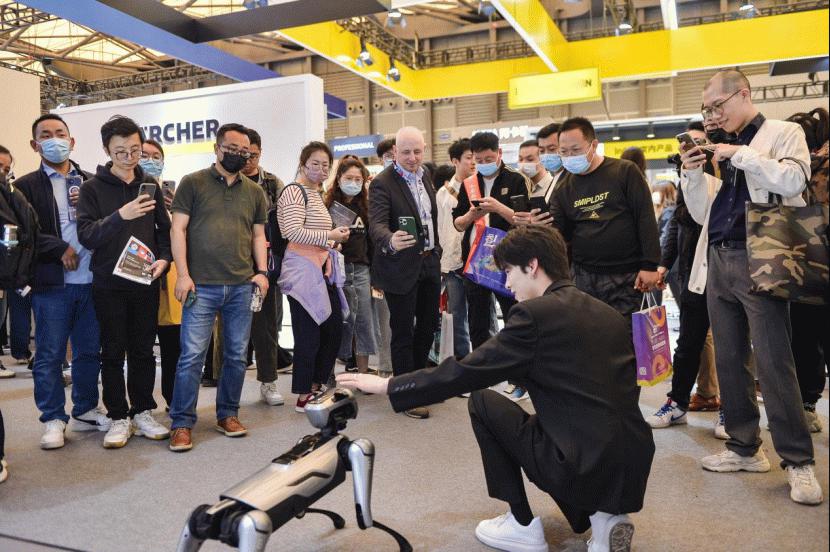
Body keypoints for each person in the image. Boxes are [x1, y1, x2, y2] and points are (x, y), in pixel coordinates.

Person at [337, 225, 655, 552]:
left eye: (508, 271)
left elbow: (467, 372)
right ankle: (604, 519)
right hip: (634, 461)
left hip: (580, 464)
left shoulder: (533, 315)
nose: (507, 283)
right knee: (572, 424)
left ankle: (521, 523)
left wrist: (390, 385)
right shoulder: (608, 313)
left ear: (532, 265)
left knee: (483, 402)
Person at [680, 69, 822, 505]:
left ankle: (798, 461)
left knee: (774, 360)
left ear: (743, 95)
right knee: (729, 356)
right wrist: (692, 174)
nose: (712, 115)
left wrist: (738, 154)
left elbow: (794, 181)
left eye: (717, 106)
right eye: (707, 109)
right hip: (719, 256)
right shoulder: (722, 147)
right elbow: (705, 211)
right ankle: (744, 447)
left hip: (763, 255)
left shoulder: (782, 132)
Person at [167, 123, 269, 452]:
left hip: (241, 286)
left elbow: (258, 236)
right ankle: (181, 422)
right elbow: (178, 230)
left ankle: (228, 414)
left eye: (245, 151)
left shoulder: (254, 192)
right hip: (200, 286)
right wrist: (183, 274)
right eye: (232, 149)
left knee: (236, 356)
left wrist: (262, 272)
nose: (239, 155)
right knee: (191, 357)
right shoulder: (192, 183)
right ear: (217, 148)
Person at [77, 116, 172, 448]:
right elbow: (87, 235)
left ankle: (143, 410)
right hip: (108, 284)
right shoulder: (91, 188)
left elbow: (164, 232)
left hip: (145, 280)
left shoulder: (150, 184)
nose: (130, 157)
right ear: (107, 150)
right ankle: (118, 416)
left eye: (135, 150)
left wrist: (165, 259)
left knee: (143, 350)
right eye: (121, 151)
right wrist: (121, 215)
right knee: (113, 351)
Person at [15, 114, 107, 450]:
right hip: (51, 284)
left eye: (60, 133)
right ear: (34, 144)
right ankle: (53, 418)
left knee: (89, 352)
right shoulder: (24, 187)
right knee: (50, 355)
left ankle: (85, 409)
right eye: (46, 135)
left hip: (92, 282)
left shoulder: (92, 181)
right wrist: (58, 248)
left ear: (72, 141)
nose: (54, 139)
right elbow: (22, 233)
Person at [648, 123, 727, 435]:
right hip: (693, 272)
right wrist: (664, 265)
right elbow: (676, 226)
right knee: (688, 342)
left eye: (699, 142)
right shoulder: (686, 179)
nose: (693, 148)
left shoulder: (727, 171)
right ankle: (677, 402)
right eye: (687, 144)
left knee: (731, 341)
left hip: (726, 267)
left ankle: (731, 410)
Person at [550, 117, 661, 322]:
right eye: (563, 152)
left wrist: (650, 265)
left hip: (627, 275)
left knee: (627, 335)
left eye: (575, 150)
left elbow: (645, 218)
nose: (570, 156)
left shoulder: (624, 171)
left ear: (593, 145)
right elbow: (560, 231)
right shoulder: (563, 186)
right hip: (584, 276)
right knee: (590, 334)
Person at [369, 127, 441, 419]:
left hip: (429, 263)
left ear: (424, 149)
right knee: (402, 332)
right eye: (406, 152)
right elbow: (376, 224)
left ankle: (419, 384)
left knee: (427, 326)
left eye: (417, 151)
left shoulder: (426, 175)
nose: (412, 157)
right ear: (395, 152)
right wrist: (390, 239)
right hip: (400, 266)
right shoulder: (382, 182)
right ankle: (404, 394)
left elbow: (430, 218)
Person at [452, 131, 530, 401]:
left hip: (508, 263)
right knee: (477, 322)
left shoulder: (515, 179)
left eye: (489, 158)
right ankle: (480, 377)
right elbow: (458, 223)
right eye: (479, 159)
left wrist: (498, 207)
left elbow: (523, 220)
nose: (484, 163)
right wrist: (471, 214)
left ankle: (519, 380)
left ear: (499, 154)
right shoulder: (469, 183)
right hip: (476, 262)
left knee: (513, 319)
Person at [278, 141, 349, 412]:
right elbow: (293, 231)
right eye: (315, 164)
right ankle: (304, 393)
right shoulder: (294, 191)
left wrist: (331, 243)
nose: (321, 169)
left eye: (325, 165)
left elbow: (313, 233)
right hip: (301, 273)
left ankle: (316, 384)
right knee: (308, 334)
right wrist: (329, 235)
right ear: (303, 163)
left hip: (320, 269)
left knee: (332, 328)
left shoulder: (315, 193)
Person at [785, 107, 829, 434]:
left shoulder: (799, 170)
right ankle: (807, 405)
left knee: (804, 340)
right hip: (812, 266)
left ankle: (807, 405)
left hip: (804, 267)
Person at [242, 128, 285, 406]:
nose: (248, 160)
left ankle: (268, 381)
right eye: (244, 155)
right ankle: (225, 387)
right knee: (229, 332)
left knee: (266, 327)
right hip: (230, 263)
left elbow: (284, 222)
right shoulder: (224, 180)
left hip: (264, 264)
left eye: (253, 155)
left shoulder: (272, 183)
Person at [325, 157, 377, 374]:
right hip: (337, 270)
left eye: (358, 179)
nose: (353, 183)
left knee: (364, 321)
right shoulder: (327, 206)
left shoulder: (366, 206)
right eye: (349, 178)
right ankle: (330, 372)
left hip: (362, 269)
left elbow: (372, 241)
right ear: (338, 179)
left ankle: (363, 373)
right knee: (339, 321)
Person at [139, 138, 180, 410]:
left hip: (171, 277)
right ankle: (142, 406)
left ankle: (174, 399)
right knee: (141, 347)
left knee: (173, 346)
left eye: (156, 156)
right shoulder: (130, 193)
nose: (151, 161)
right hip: (139, 273)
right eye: (145, 155)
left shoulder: (173, 194)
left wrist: (175, 209)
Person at [436, 139, 475, 359]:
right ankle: (463, 360)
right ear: (455, 161)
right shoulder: (443, 193)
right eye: (469, 157)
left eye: (475, 158)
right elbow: (441, 229)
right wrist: (443, 261)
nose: (473, 162)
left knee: (483, 313)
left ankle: (487, 359)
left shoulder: (480, 187)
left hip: (477, 259)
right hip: (452, 262)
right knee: (457, 313)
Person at [0, 146, 32, 369]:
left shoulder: (12, 194)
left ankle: (20, 351)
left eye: (6, 168)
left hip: (9, 267)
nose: (3, 172)